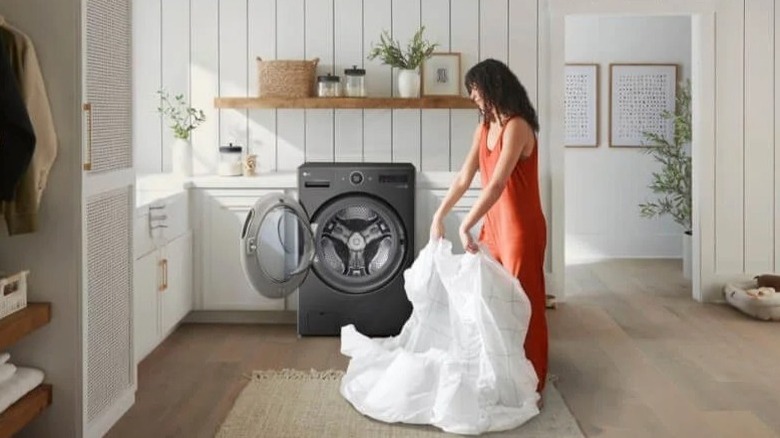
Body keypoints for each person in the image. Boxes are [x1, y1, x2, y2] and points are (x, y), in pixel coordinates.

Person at [429, 58, 548, 395]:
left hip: (520, 229)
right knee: (491, 303)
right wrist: (440, 216)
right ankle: (501, 376)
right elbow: (465, 177)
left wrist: (465, 224)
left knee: (526, 304)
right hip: (494, 227)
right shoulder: (483, 129)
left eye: (475, 89)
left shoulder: (518, 127)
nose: (472, 98)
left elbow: (496, 184)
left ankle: (533, 384)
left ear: (494, 86)